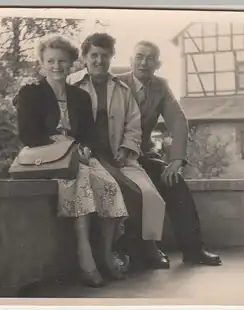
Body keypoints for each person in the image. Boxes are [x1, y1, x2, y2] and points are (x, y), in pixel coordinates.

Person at [14, 35, 129, 288]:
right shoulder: (30, 93)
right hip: (47, 159)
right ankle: (85, 256)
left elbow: (89, 134)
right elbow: (26, 134)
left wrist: (85, 147)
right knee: (82, 179)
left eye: (62, 61)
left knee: (110, 186)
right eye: (51, 61)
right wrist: (58, 143)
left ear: (71, 63)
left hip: (76, 155)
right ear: (42, 63)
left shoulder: (79, 96)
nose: (57, 66)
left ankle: (106, 254)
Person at [66, 33, 170, 270]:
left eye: (105, 56)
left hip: (118, 157)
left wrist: (126, 148)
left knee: (149, 194)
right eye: (94, 55)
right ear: (84, 57)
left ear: (112, 57)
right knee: (120, 192)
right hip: (87, 157)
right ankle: (116, 249)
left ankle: (148, 246)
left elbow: (134, 126)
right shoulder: (71, 83)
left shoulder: (122, 89)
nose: (99, 61)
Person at [114, 40, 222, 267]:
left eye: (150, 58)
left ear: (158, 64)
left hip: (143, 156)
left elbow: (179, 122)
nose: (144, 62)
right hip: (117, 156)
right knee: (134, 193)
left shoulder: (160, 87)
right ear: (130, 60)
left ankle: (194, 250)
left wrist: (175, 160)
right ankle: (144, 251)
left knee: (175, 183)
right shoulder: (116, 83)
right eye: (139, 56)